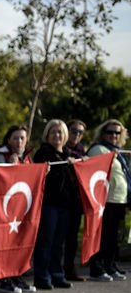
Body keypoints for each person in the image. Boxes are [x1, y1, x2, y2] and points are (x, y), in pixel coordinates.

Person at [32, 119, 77, 290]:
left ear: (65, 135)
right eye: (53, 132)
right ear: (47, 135)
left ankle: (57, 275)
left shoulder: (67, 154)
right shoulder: (42, 154)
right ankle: (42, 277)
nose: (57, 135)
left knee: (59, 242)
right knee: (46, 241)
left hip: (65, 205)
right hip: (49, 204)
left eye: (60, 132)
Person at [0, 125, 36, 293]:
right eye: (15, 138)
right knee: (6, 243)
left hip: (22, 207)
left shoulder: (26, 156)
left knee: (21, 242)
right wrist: (9, 167)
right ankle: (5, 280)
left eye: (22, 138)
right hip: (5, 209)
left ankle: (18, 277)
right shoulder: (2, 156)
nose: (19, 141)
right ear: (8, 140)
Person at [86, 119, 129, 282]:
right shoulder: (99, 149)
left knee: (115, 237)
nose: (113, 136)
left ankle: (110, 266)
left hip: (119, 199)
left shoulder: (119, 151)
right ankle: (97, 268)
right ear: (103, 133)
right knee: (103, 236)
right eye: (110, 132)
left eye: (117, 133)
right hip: (105, 200)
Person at [63, 119, 88, 282]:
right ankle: (54, 271)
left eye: (80, 132)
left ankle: (70, 269)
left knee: (72, 237)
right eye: (73, 131)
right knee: (57, 238)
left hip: (76, 200)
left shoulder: (82, 150)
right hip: (60, 200)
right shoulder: (61, 148)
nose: (76, 135)